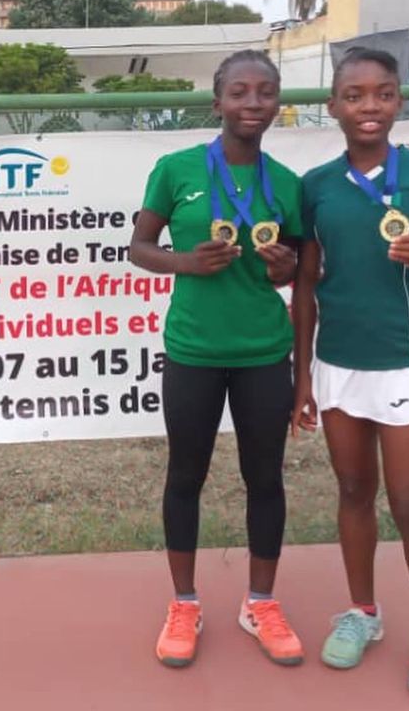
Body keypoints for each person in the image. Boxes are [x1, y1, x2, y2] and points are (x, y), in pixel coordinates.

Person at [291, 47, 409, 699]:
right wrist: (303, 377)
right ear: (334, 105)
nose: (370, 106)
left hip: (405, 361)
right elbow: (306, 284)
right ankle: (363, 612)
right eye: (355, 95)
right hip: (339, 365)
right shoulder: (315, 185)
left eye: (383, 93)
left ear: (399, 101)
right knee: (352, 490)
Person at [130, 49, 304, 669]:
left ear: (277, 103)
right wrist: (186, 262)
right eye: (239, 92)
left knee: (266, 479)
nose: (252, 103)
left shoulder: (287, 184)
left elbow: (297, 270)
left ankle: (261, 603)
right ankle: (184, 604)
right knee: (186, 476)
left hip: (263, 351)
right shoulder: (176, 170)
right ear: (217, 102)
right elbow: (139, 247)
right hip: (194, 349)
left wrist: (284, 266)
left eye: (265, 92)